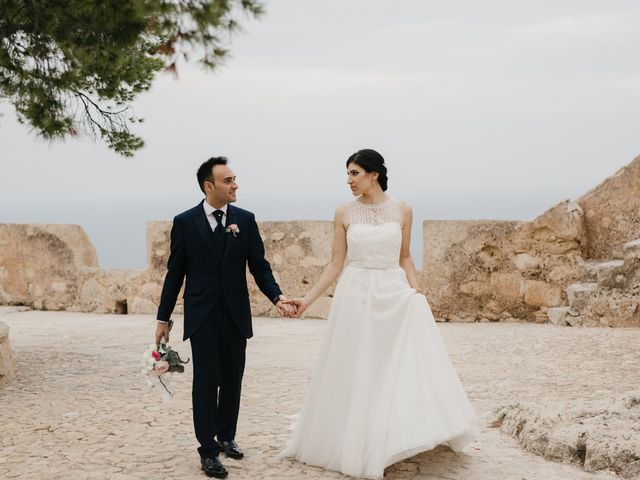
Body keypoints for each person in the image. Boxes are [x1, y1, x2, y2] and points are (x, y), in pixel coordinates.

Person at [280, 149, 478, 479]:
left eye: (354, 173)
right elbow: (335, 263)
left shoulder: (403, 209)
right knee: (357, 365)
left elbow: (405, 257)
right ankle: (356, 436)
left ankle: (390, 434)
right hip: (355, 293)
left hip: (392, 290)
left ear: (374, 174)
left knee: (392, 366)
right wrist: (307, 300)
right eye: (348, 174)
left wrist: (416, 290)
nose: (349, 181)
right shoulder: (344, 212)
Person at [155, 157, 294, 478]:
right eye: (228, 180)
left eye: (235, 179)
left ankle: (226, 436)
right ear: (209, 186)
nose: (235, 185)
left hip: (235, 315)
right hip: (202, 316)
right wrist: (163, 319)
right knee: (206, 382)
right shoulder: (185, 222)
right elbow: (174, 274)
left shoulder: (245, 220)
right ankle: (207, 450)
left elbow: (259, 267)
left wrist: (277, 297)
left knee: (232, 379)